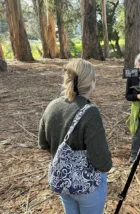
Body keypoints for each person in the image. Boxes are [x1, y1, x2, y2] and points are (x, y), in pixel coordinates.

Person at [38, 59, 112, 214]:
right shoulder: (90, 112)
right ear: (92, 83)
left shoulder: (52, 106)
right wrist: (107, 166)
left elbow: (43, 144)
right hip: (87, 187)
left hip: (62, 181)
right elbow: (101, 160)